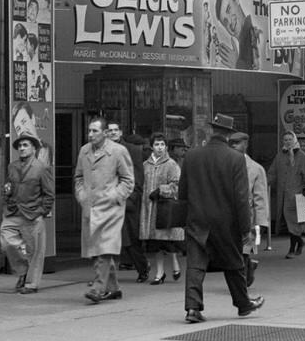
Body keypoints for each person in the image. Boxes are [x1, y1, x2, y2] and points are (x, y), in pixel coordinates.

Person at [176, 114, 263, 323]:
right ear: (229, 134)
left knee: (195, 265)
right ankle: (243, 305)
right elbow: (241, 198)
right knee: (234, 263)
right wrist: (245, 228)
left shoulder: (192, 156)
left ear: (211, 131)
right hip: (226, 221)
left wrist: (185, 219)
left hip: (197, 219)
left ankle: (192, 308)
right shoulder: (235, 159)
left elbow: (183, 193)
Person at [74, 118, 135, 303]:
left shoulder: (118, 151)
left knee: (105, 247)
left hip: (110, 209)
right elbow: (78, 176)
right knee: (95, 247)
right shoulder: (84, 151)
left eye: (94, 131)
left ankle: (98, 287)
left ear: (104, 133)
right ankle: (113, 287)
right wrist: (81, 195)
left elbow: (128, 180)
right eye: (89, 131)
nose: (90, 134)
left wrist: (115, 196)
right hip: (90, 207)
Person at [0, 133, 53, 295]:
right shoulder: (12, 166)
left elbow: (49, 194)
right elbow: (8, 186)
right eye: (20, 146)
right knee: (7, 242)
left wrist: (41, 211)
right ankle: (23, 271)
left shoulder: (41, 168)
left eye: (25, 145)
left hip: (32, 213)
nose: (22, 148)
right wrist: (6, 195)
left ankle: (31, 283)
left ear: (34, 148)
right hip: (13, 211)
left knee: (35, 250)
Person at [141, 133, 184, 284]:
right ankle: (160, 273)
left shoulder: (171, 164)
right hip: (149, 209)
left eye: (162, 145)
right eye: (157, 144)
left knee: (166, 242)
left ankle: (172, 266)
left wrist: (161, 190)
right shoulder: (145, 165)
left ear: (166, 147)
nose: (159, 148)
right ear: (152, 146)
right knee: (155, 244)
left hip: (164, 209)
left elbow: (177, 185)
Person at [227, 130, 268, 287]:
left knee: (244, 249)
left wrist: (261, 222)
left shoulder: (255, 169)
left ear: (245, 145)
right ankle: (248, 267)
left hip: (247, 217)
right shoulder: (225, 165)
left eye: (237, 144)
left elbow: (260, 197)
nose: (234, 147)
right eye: (232, 144)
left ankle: (243, 278)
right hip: (228, 216)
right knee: (233, 251)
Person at [109, 124, 148, 281]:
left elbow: (138, 175)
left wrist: (132, 197)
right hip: (108, 200)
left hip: (127, 200)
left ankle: (143, 268)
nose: (112, 133)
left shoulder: (132, 150)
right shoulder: (101, 150)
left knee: (131, 239)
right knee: (105, 239)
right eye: (109, 131)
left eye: (115, 130)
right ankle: (103, 276)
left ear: (120, 132)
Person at [268, 130, 305, 258]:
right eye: (285, 140)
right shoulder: (280, 156)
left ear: (294, 140)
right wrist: (264, 182)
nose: (288, 142)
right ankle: (300, 243)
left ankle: (292, 249)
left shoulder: (301, 155)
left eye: (290, 139)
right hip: (283, 196)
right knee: (290, 222)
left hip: (297, 196)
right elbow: (272, 172)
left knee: (293, 222)